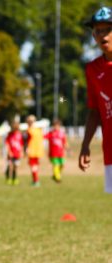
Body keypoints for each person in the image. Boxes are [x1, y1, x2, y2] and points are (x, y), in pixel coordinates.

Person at [80, 6, 112, 193]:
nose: (104, 36)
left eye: (108, 29)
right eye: (98, 31)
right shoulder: (92, 69)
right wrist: (85, 145)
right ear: (93, 37)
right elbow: (94, 111)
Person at [25, 115, 44, 187]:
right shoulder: (38, 130)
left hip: (32, 151)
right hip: (38, 151)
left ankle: (36, 181)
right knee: (35, 166)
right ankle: (35, 180)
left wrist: (26, 149)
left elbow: (27, 141)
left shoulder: (29, 131)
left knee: (33, 167)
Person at [5, 121, 23, 185]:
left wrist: (21, 152)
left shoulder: (20, 134)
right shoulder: (9, 134)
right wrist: (9, 151)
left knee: (15, 167)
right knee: (10, 166)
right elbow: (7, 143)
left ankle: (14, 179)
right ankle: (8, 178)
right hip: (10, 153)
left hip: (17, 153)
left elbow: (21, 144)